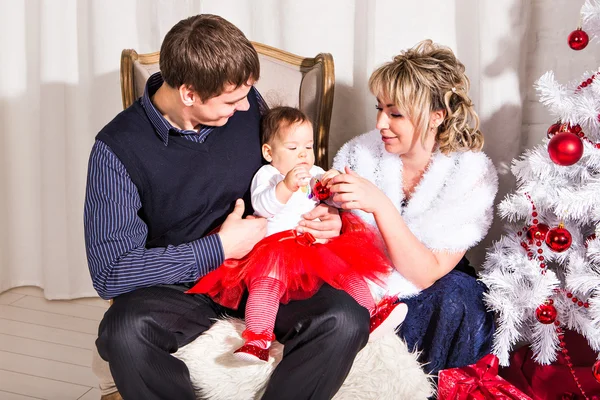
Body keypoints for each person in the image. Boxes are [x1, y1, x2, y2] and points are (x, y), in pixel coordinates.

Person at [84, 15, 368, 400]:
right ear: (189, 93)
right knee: (123, 331)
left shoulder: (247, 102)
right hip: (180, 287)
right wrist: (218, 248)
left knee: (345, 319)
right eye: (231, 101)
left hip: (268, 266)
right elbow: (111, 272)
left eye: (246, 96)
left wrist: (324, 214)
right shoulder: (116, 149)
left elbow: (285, 171)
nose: (244, 108)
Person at [329, 40, 498, 377]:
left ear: (437, 116)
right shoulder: (360, 155)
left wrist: (380, 205)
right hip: (366, 277)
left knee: (457, 299)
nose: (379, 124)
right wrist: (329, 219)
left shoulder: (470, 173)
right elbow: (340, 229)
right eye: (379, 108)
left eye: (395, 114)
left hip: (433, 283)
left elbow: (425, 273)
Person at [187, 106, 407, 362]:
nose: (303, 155)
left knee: (346, 272)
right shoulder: (268, 175)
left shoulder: (313, 173)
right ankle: (257, 339)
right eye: (293, 149)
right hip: (277, 247)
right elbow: (263, 206)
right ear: (269, 152)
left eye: (308, 147)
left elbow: (331, 203)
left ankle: (372, 313)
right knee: (266, 285)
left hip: (314, 245)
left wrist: (331, 185)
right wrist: (286, 185)